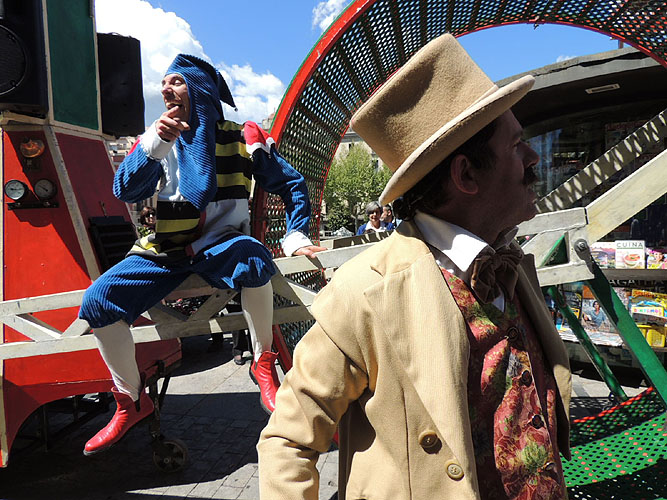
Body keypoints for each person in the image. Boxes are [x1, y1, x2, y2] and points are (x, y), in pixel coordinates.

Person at [258, 34, 571, 499]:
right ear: (466, 174)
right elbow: (287, 440)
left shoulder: (510, 261)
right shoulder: (366, 292)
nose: (534, 157)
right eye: (517, 145)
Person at [79, 54, 325, 456]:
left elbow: (292, 184)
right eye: (162, 82)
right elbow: (125, 190)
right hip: (166, 249)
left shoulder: (242, 137)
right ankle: (130, 401)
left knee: (253, 257)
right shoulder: (156, 139)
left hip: (221, 245)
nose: (165, 88)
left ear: (199, 90)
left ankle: (262, 363)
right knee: (97, 301)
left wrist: (295, 235)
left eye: (175, 81)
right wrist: (155, 145)